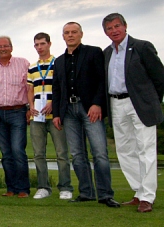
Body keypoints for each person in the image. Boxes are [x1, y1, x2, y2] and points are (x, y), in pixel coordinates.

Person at [52, 22, 120, 208]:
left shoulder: (93, 52)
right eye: (67, 33)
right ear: (63, 36)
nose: (71, 35)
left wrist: (97, 103)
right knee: (77, 154)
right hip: (68, 111)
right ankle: (86, 192)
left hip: (90, 108)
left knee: (99, 153)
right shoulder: (59, 61)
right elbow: (57, 89)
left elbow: (102, 80)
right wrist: (57, 114)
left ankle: (105, 194)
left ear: (81, 34)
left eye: (74, 32)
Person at [102, 13, 164, 212]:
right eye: (109, 28)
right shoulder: (106, 53)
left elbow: (159, 78)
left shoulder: (142, 47)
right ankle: (139, 191)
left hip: (140, 104)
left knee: (145, 149)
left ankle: (148, 197)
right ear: (105, 32)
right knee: (125, 151)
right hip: (116, 104)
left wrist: (151, 100)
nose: (114, 30)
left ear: (125, 26)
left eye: (117, 26)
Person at [0, 36, 31, 198]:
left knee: (18, 150)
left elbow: (30, 88)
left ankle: (23, 188)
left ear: (11, 47)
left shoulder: (23, 64)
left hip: (18, 111)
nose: (2, 48)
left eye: (5, 46)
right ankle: (11, 188)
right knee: (6, 153)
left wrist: (30, 109)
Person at [26, 33, 73, 200]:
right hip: (37, 116)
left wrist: (53, 102)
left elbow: (62, 86)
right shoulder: (32, 67)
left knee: (61, 153)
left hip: (55, 115)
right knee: (38, 154)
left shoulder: (58, 63)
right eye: (36, 44)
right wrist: (31, 107)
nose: (39, 47)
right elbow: (30, 89)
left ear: (49, 44)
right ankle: (43, 187)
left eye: (42, 44)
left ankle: (65, 187)